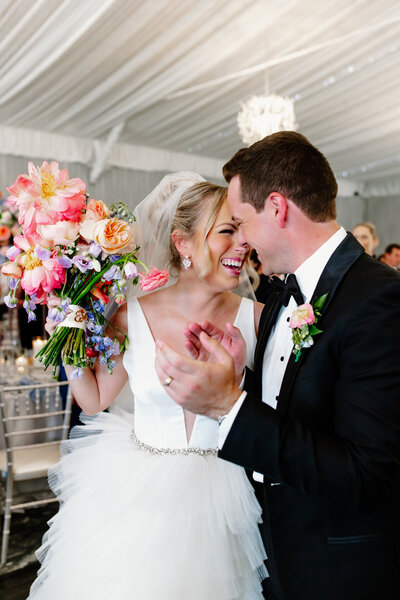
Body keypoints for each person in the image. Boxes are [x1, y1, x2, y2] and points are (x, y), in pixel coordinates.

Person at [155, 132, 400, 600]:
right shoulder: (279, 293)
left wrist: (228, 405)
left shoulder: (379, 299)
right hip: (273, 552)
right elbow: (297, 407)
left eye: (242, 222)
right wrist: (238, 377)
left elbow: (367, 476)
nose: (241, 240)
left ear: (277, 207)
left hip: (340, 570)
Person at [28, 173, 267, 599]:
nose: (243, 244)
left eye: (243, 231)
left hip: (231, 497)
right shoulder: (128, 316)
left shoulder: (260, 320)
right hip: (139, 495)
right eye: (227, 232)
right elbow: (95, 399)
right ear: (183, 244)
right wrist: (68, 335)